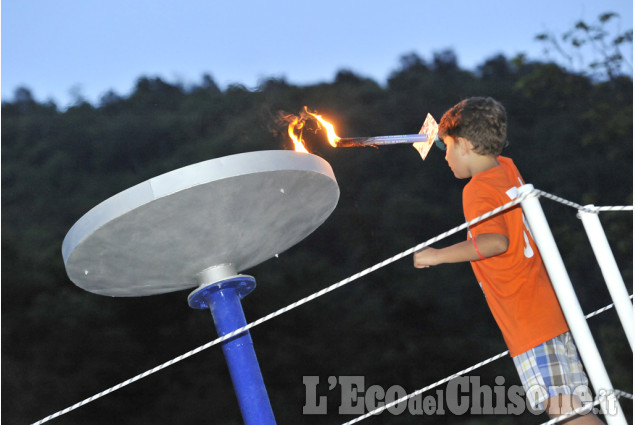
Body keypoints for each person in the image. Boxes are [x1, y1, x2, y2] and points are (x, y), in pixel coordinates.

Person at [413, 97, 603, 423]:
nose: (444, 156)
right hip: (551, 309)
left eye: (448, 147)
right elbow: (487, 158)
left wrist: (438, 255)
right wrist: (457, 138)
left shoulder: (475, 191)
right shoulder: (506, 168)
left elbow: (495, 242)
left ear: (467, 144)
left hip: (528, 320)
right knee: (574, 410)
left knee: (566, 414)